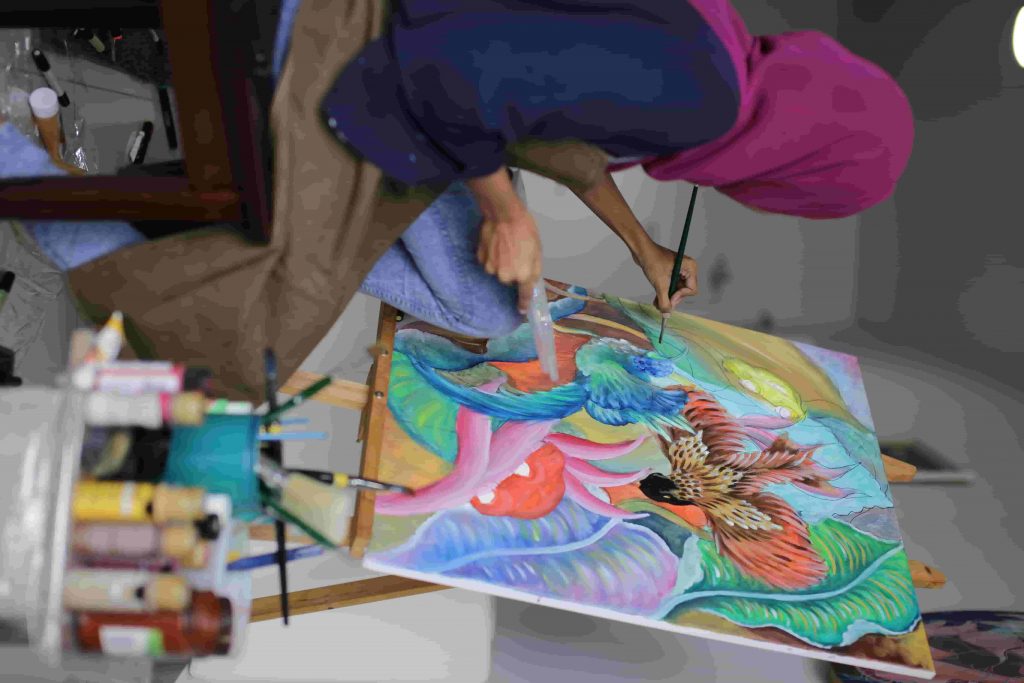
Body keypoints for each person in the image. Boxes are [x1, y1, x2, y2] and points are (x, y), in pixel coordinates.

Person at [54, 0, 913, 399]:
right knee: (251, 343)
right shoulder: (706, 100)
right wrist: (505, 212)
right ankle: (32, 173)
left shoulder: (717, 40)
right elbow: (452, 71)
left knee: (487, 305)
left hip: (399, 59)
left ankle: (288, 224)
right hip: (354, 47)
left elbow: (559, 131)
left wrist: (643, 248)